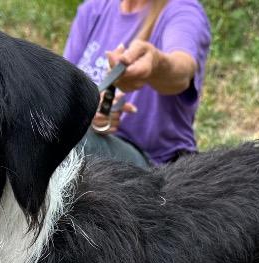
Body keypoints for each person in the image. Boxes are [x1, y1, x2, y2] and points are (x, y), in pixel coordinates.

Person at [63, 0, 212, 167]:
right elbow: (65, 90)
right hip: (92, 141)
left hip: (155, 166)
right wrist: (88, 111)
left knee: (61, 145)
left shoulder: (183, 12)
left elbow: (182, 71)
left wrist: (156, 65)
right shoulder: (94, 9)